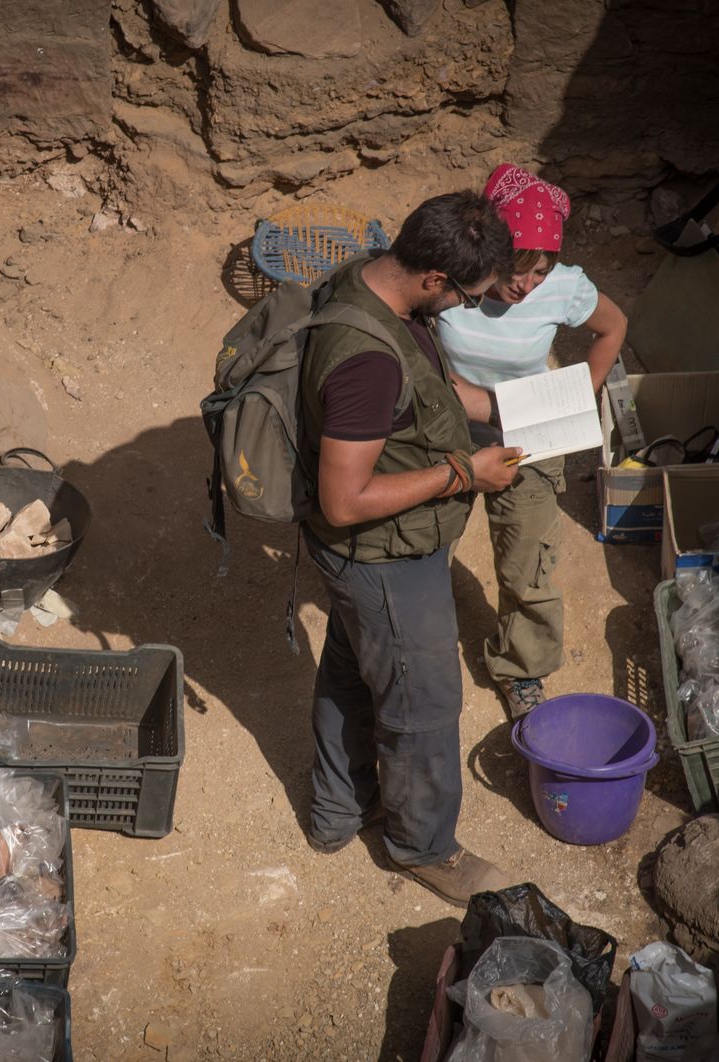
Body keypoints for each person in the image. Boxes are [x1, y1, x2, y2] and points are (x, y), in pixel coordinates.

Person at [298, 190, 523, 907]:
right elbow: (344, 500)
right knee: (422, 704)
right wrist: (465, 472)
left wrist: (511, 409)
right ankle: (423, 846)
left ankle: (337, 812)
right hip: (382, 559)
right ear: (435, 279)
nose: (463, 309)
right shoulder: (367, 363)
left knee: (354, 666)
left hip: (369, 560)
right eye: (467, 298)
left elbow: (434, 391)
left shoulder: (376, 279)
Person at [435, 164, 628, 719]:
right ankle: (419, 640)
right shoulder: (453, 276)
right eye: (515, 269)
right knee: (425, 539)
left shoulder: (565, 288)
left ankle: (521, 669)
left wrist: (573, 396)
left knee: (528, 562)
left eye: (539, 272)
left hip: (527, 435)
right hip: (449, 428)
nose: (524, 285)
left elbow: (613, 328)